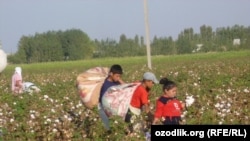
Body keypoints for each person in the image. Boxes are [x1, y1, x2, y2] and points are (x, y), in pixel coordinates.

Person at [98, 64, 124, 132]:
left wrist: (120, 80)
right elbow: (103, 100)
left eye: (120, 76)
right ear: (111, 74)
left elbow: (126, 88)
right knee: (108, 128)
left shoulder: (117, 82)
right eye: (117, 76)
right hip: (103, 108)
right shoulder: (105, 84)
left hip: (114, 108)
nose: (118, 78)